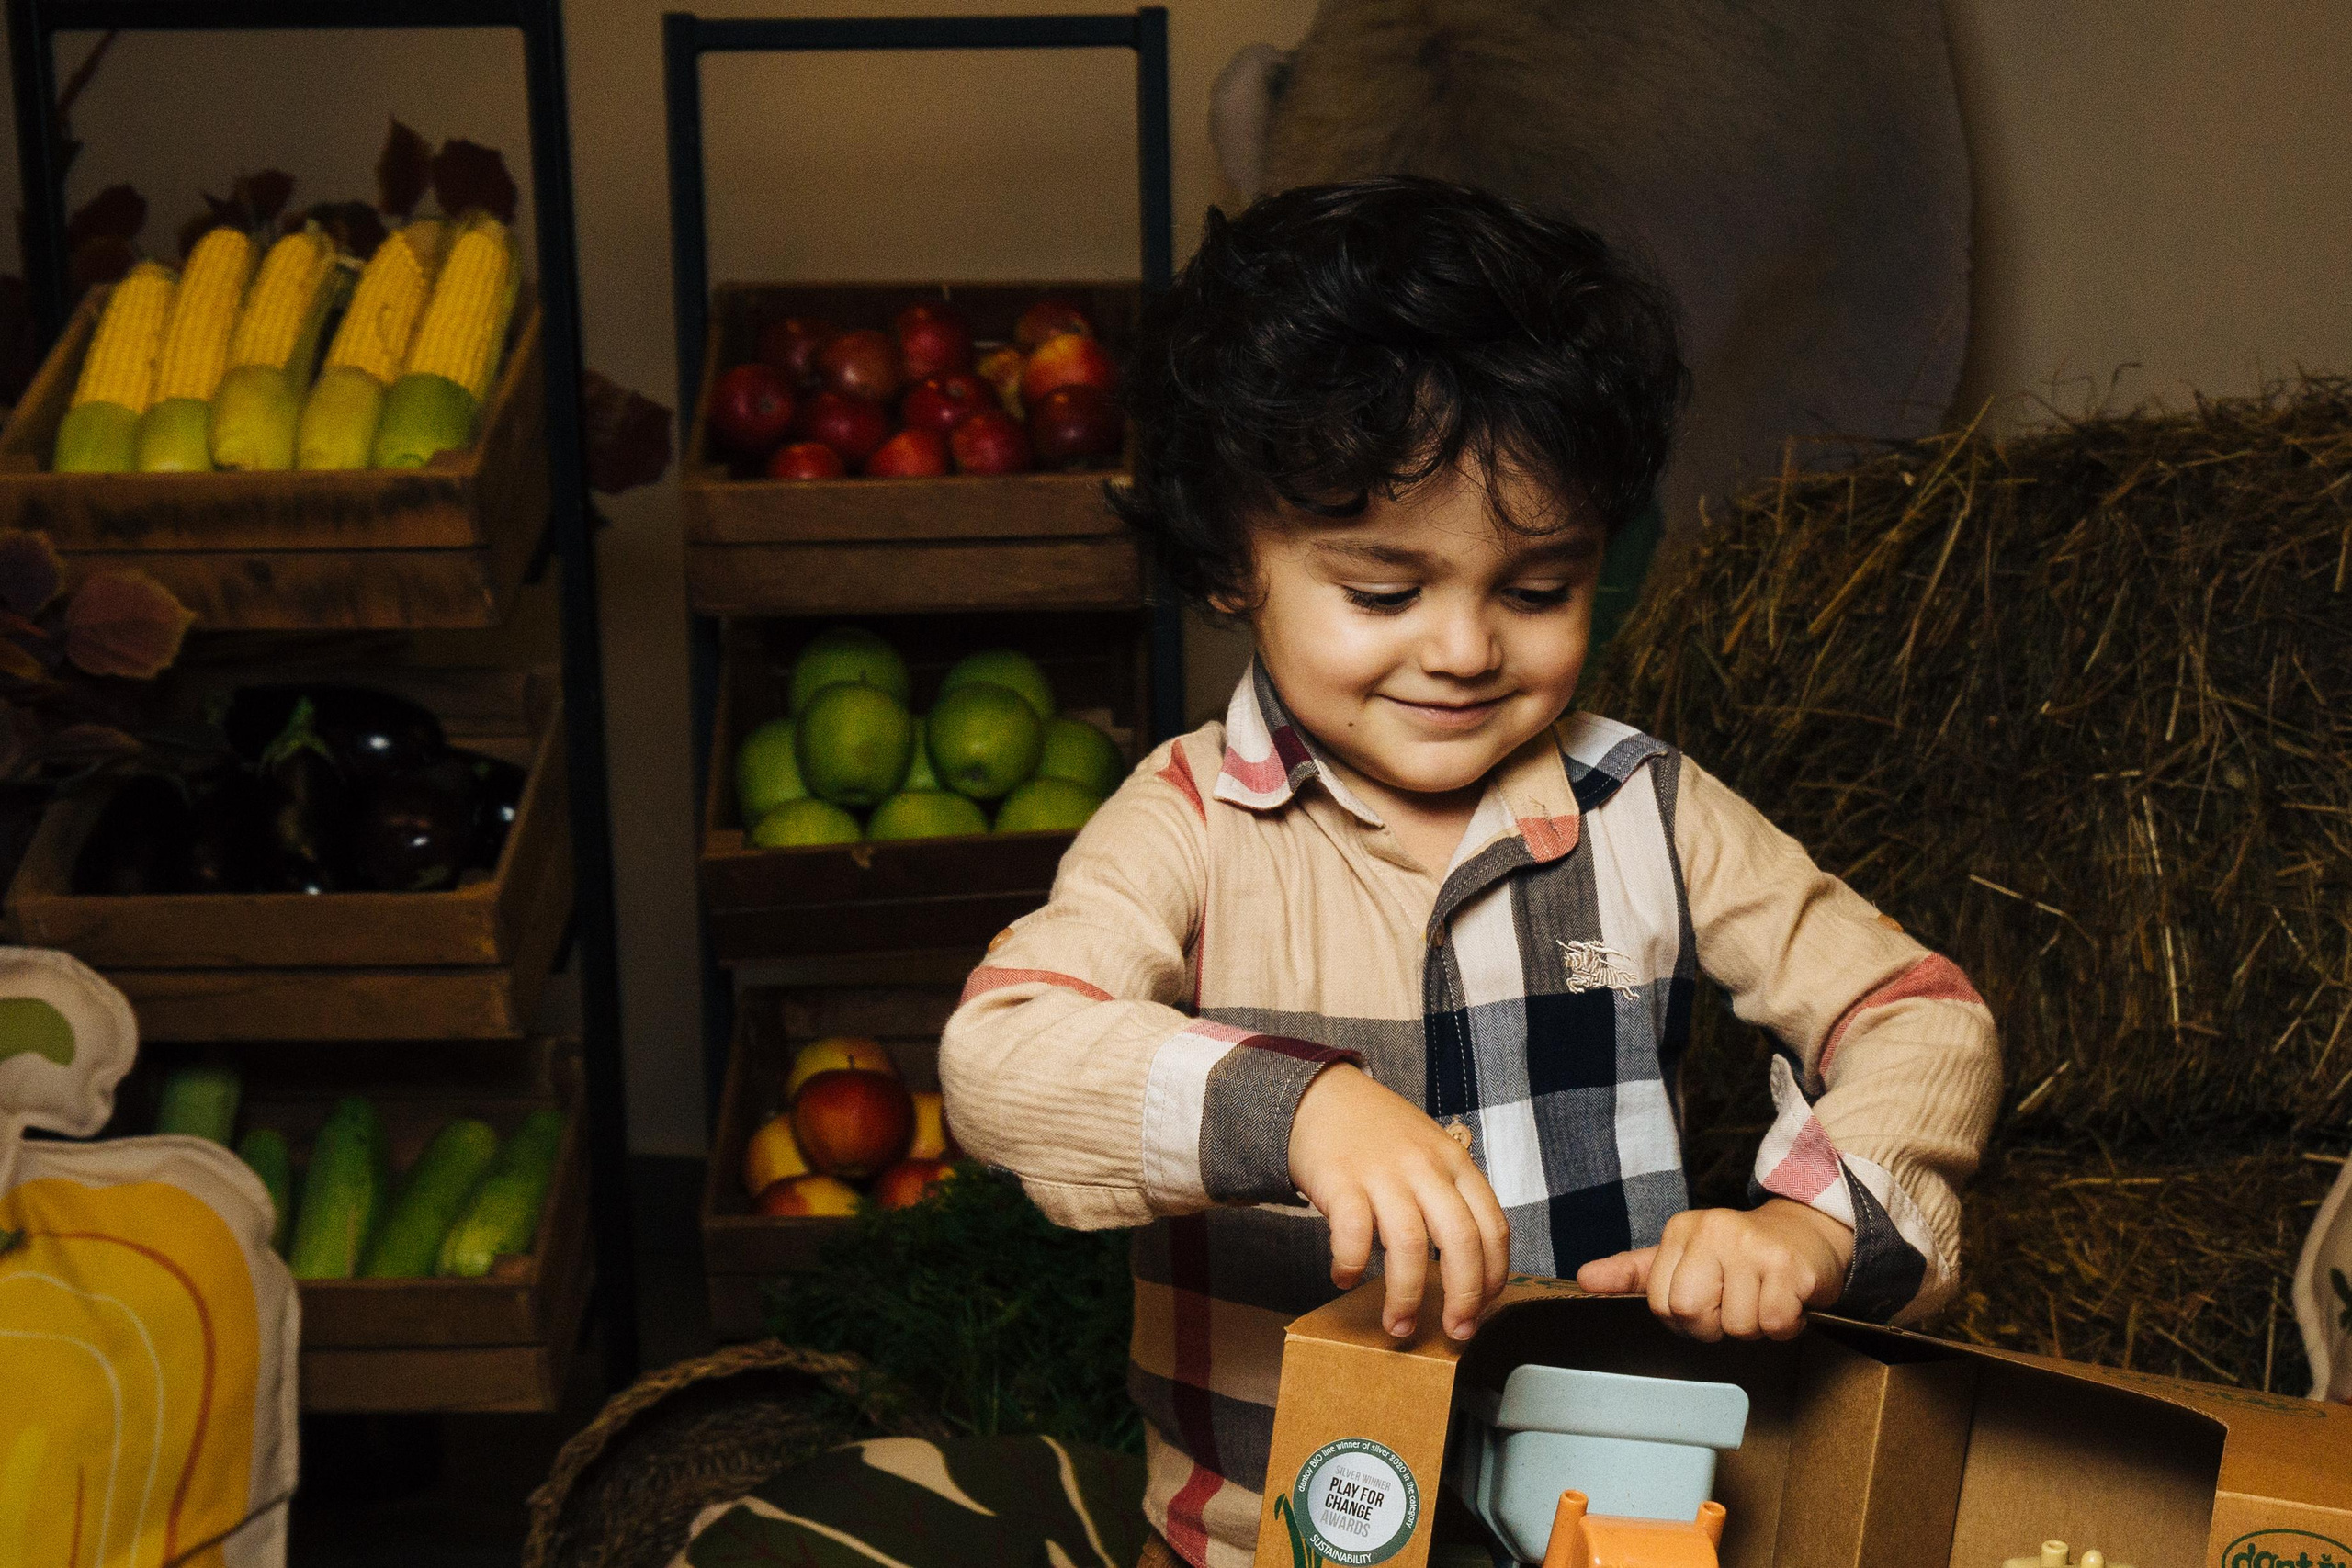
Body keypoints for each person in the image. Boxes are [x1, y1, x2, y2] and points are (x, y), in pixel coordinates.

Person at [938, 177, 2000, 1568]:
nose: (1462, 648)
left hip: (1606, 1528)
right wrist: (1297, 1107)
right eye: (1384, 593)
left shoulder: (1648, 812)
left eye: (1537, 587)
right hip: (1260, 1545)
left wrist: (1810, 1225)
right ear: (1229, 560)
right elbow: (1001, 1055)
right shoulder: (1190, 820)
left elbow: (1923, 1016)